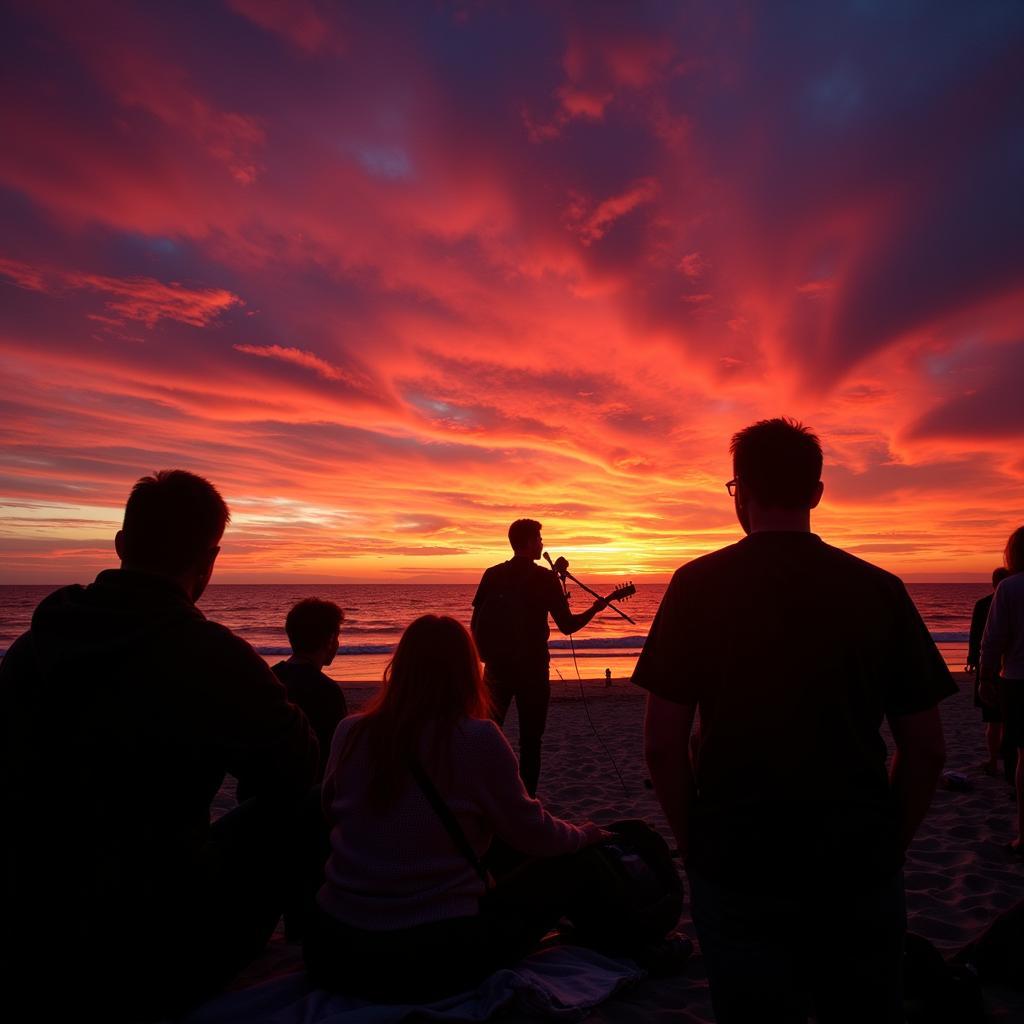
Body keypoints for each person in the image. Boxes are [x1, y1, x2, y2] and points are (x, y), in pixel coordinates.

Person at [634, 417, 955, 1024]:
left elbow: (661, 745)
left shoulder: (697, 586)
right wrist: (891, 843)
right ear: (815, 492)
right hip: (856, 856)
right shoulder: (879, 589)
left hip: (737, 854)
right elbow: (927, 749)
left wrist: (692, 843)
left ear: (741, 492)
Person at [0, 470, 319, 1021]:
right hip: (156, 942)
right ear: (210, 558)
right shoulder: (213, 656)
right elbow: (298, 766)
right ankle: (312, 959)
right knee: (304, 808)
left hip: (31, 925)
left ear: (121, 545)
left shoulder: (33, 647)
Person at [304, 614, 615, 1001]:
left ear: (399, 667)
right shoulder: (477, 737)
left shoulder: (350, 731)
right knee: (578, 861)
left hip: (336, 949)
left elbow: (331, 811)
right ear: (467, 671)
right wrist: (583, 835)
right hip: (436, 954)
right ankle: (629, 942)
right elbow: (534, 834)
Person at [471, 519, 608, 794]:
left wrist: (486, 657)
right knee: (531, 742)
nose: (543, 544)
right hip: (532, 671)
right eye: (540, 539)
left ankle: (483, 795)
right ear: (532, 542)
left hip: (496, 669)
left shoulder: (492, 574)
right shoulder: (544, 579)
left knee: (487, 733)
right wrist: (595, 608)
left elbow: (475, 624)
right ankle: (527, 800)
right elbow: (567, 625)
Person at [980, 526, 1024, 858]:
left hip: (1018, 680)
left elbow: (992, 640)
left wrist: (986, 677)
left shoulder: (1009, 588)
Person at [275, 597, 348, 769]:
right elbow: (336, 752)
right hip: (308, 789)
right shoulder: (327, 691)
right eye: (337, 637)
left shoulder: (269, 677)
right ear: (330, 640)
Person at [967, 567, 1010, 777]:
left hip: (990, 667)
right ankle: (1000, 759)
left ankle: (993, 760)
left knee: (993, 720)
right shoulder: (1012, 602)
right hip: (1008, 667)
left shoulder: (984, 604)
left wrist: (972, 660)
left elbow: (976, 635)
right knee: (1006, 719)